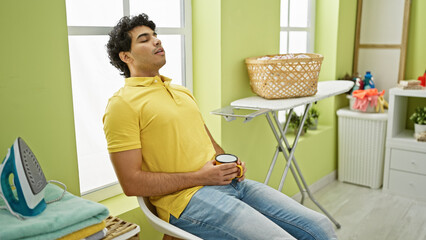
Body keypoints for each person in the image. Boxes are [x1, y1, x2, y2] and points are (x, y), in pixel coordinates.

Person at [103, 13, 337, 240]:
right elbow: (131, 183)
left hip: (232, 185)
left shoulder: (181, 92)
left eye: (155, 35)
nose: (157, 40)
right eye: (145, 39)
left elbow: (210, 144)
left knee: (320, 227)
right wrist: (200, 177)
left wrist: (229, 164)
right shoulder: (122, 104)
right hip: (186, 200)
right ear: (126, 57)